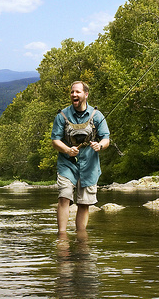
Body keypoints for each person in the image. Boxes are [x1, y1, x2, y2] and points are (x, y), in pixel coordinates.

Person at [51, 81, 110, 234]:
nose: (74, 95)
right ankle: (62, 237)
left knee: (84, 204)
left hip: (90, 165)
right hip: (67, 163)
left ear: (86, 94)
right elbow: (55, 141)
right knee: (64, 197)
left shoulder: (97, 115)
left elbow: (106, 138)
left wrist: (100, 146)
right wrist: (67, 150)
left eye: (77, 92)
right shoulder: (62, 116)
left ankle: (81, 239)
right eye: (72, 92)